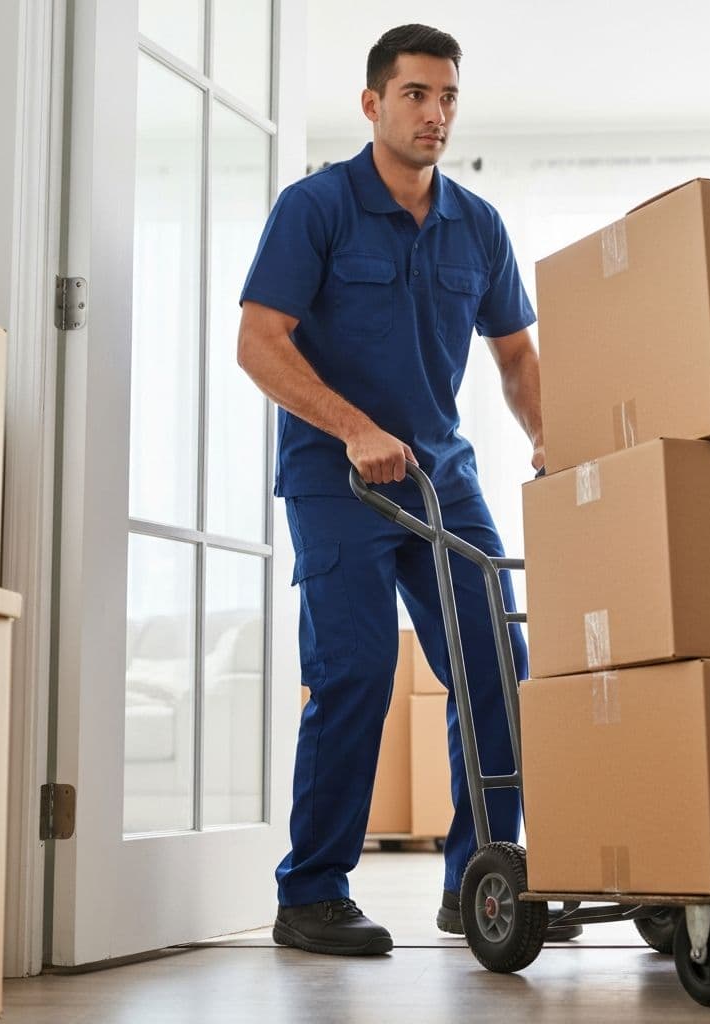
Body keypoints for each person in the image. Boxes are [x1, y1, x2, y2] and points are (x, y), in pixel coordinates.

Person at [237, 24, 579, 956]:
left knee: (494, 674)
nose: (435, 114)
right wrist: (353, 429)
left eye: (448, 98)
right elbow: (259, 343)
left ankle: (481, 882)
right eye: (417, 94)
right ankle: (311, 894)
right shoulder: (316, 209)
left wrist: (549, 435)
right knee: (354, 670)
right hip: (334, 477)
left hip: (445, 479)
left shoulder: (479, 223)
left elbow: (514, 353)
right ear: (373, 103)